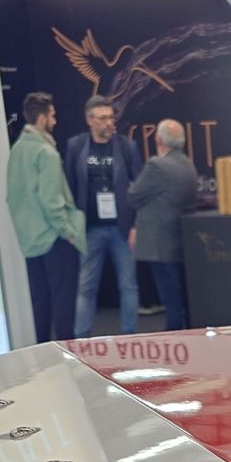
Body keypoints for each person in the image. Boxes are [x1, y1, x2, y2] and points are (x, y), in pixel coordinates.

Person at [5, 93, 84, 343]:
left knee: (40, 303)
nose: (55, 121)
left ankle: (43, 357)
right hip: (53, 237)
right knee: (63, 304)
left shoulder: (17, 150)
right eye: (52, 116)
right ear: (41, 119)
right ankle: (67, 356)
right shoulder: (46, 153)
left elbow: (12, 196)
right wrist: (67, 231)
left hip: (29, 240)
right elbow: (52, 201)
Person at [65, 95, 141, 336]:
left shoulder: (126, 147)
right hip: (90, 229)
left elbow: (139, 189)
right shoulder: (76, 146)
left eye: (110, 117)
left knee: (128, 285)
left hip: (122, 228)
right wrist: (71, 226)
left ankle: (129, 336)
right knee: (86, 286)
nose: (109, 122)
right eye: (102, 118)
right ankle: (81, 338)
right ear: (89, 120)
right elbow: (69, 188)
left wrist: (135, 226)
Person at [128, 119, 200, 332]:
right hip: (178, 240)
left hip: (159, 243)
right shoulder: (188, 165)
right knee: (180, 299)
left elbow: (133, 195)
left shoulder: (156, 166)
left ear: (158, 139)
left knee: (171, 301)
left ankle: (174, 338)